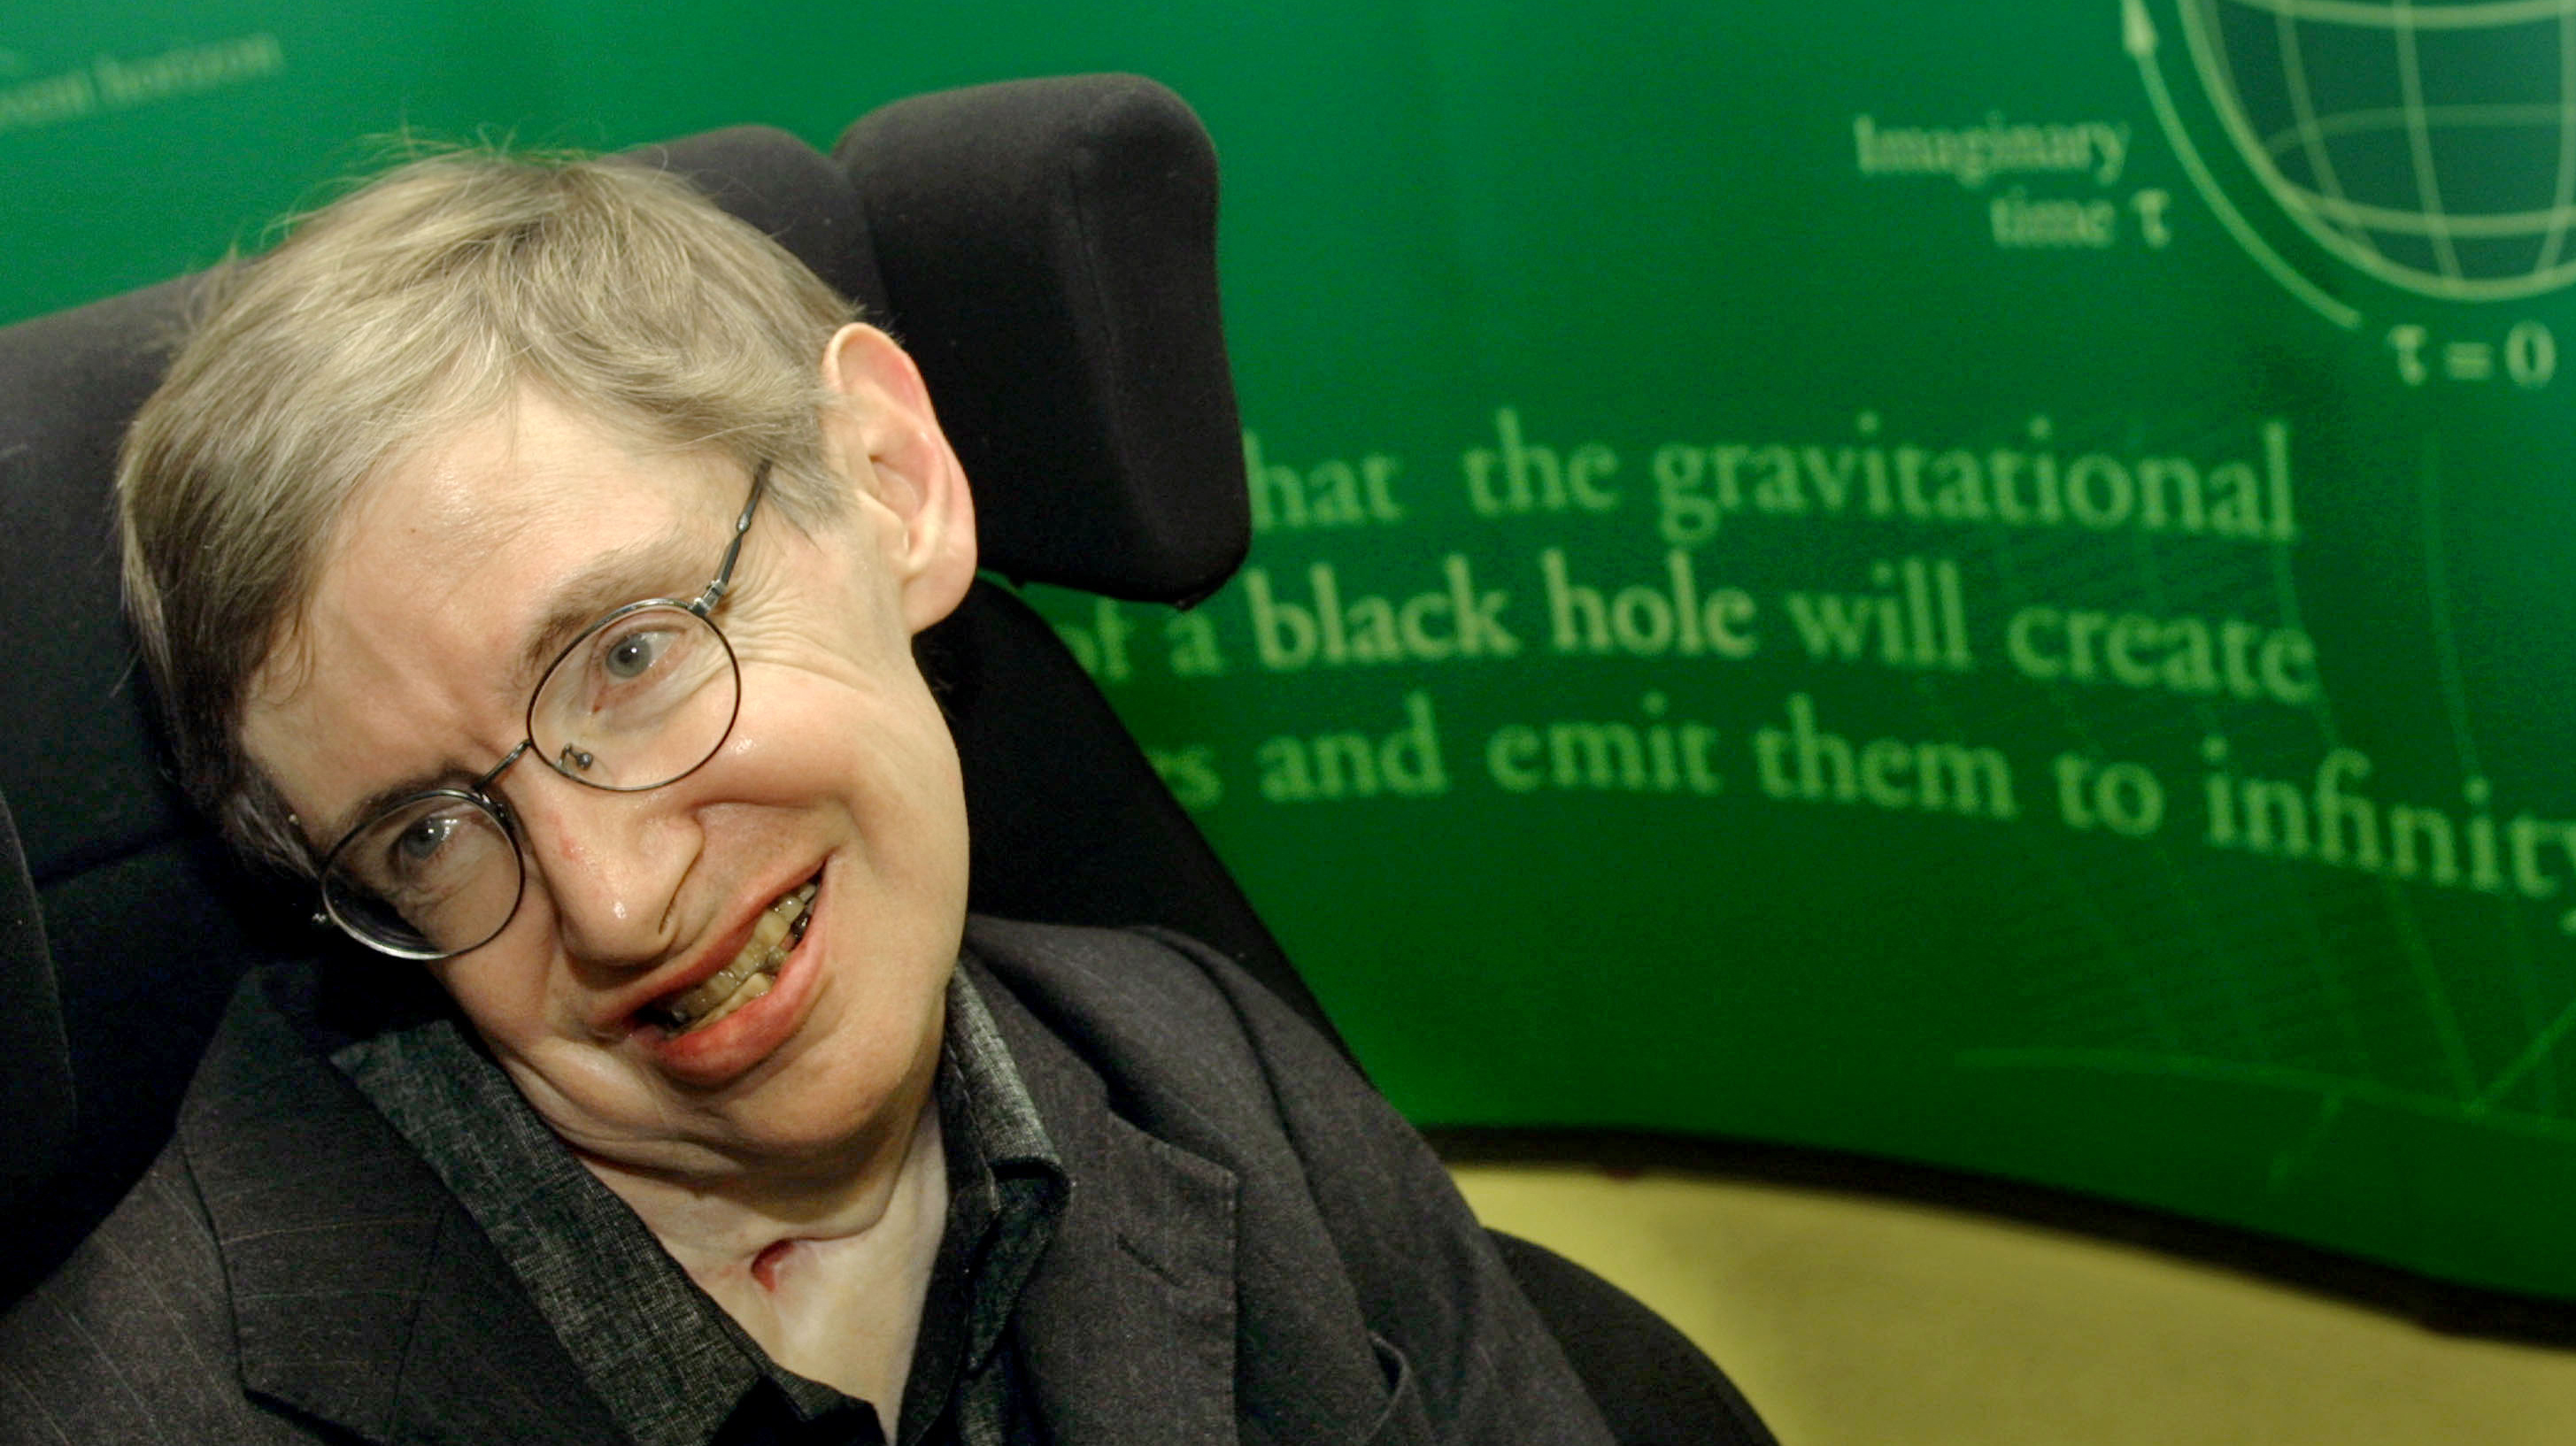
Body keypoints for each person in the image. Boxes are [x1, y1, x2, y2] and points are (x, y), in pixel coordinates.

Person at [0, 151, 1617, 1443]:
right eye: (426, 830)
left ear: (892, 486)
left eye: (629, 657)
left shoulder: (1205, 1062)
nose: (614, 901)